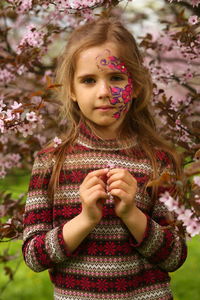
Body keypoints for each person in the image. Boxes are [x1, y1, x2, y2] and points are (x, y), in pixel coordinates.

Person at [22, 17, 187, 300]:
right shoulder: (51, 160)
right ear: (72, 90)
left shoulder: (158, 161)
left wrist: (131, 214)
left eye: (116, 78)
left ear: (134, 86)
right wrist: (85, 219)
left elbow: (175, 257)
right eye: (88, 80)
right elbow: (34, 256)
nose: (104, 92)